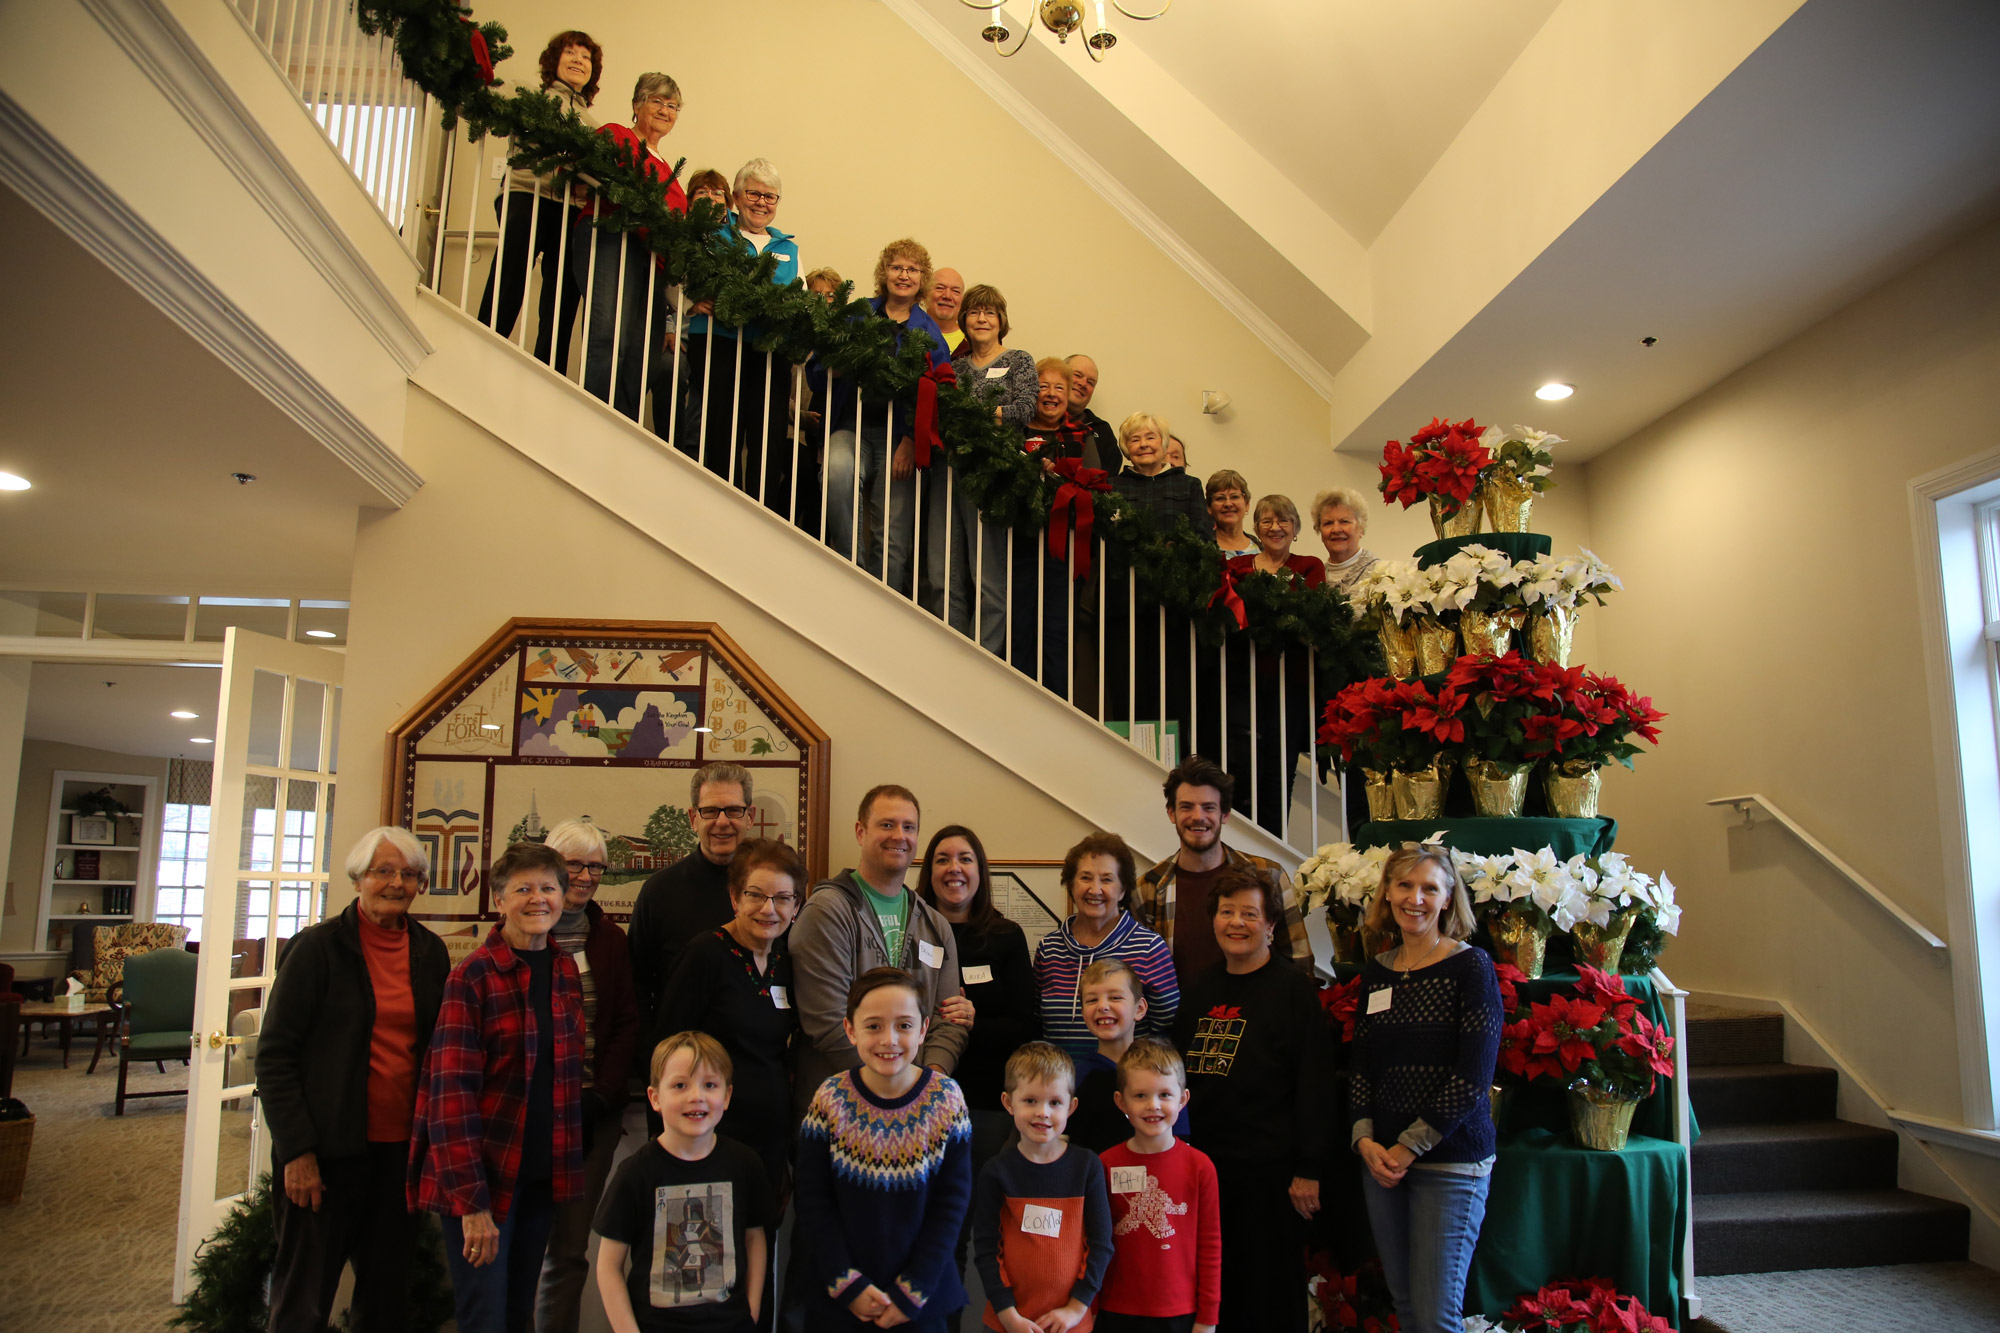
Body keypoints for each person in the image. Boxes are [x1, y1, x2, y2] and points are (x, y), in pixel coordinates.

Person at [261, 827, 451, 1333]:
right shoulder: (316, 950)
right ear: (357, 879)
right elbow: (275, 1056)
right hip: (325, 1155)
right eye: (382, 871)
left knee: (384, 1299)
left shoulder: (430, 953)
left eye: (409, 874)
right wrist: (297, 1151)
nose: (396, 883)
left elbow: (434, 1051)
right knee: (303, 1300)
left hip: (400, 1156)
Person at [410, 843, 585, 1333]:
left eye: (548, 888)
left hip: (539, 1177)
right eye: (523, 889)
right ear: (500, 899)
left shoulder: (564, 971)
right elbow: (450, 1097)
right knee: (483, 1318)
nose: (538, 899)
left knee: (518, 1315)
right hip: (482, 1183)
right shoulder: (473, 977)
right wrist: (472, 1204)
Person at [1173, 866, 1333, 1333]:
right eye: (1227, 912)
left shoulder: (1293, 992)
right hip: (1205, 1170)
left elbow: (1315, 1085)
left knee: (1268, 1293)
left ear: (1270, 925)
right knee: (1214, 1290)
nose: (1236, 923)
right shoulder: (1200, 989)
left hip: (1272, 1174)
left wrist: (1309, 1169)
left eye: (1249, 913)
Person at [1350, 845, 1502, 1333]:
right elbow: (1361, 1067)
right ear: (1387, 893)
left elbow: (1473, 1076)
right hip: (1382, 1164)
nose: (1415, 898)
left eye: (1429, 888)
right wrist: (1365, 1140)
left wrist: (1408, 1146)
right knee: (1408, 1309)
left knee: (1436, 1319)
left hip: (1450, 1161)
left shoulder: (1471, 967)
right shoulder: (1376, 972)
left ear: (1447, 897)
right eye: (1405, 885)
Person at [794, 968, 973, 1330]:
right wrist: (847, 1283)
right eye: (873, 1026)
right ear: (850, 1030)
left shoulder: (946, 1100)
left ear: (924, 1029)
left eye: (904, 1026)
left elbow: (952, 1205)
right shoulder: (830, 1099)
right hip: (841, 1300)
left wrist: (914, 1290)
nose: (889, 1039)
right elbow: (813, 1201)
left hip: (922, 1300)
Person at [914, 824, 1038, 1309]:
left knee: (970, 1225)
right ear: (929, 872)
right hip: (920, 1101)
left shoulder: (1005, 936)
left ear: (980, 871)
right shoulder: (912, 932)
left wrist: (974, 1019)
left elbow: (1026, 1024)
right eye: (943, 859)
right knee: (927, 1226)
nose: (954, 869)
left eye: (965, 859)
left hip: (985, 1105)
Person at [789, 784, 966, 1114]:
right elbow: (828, 1022)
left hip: (918, 1108)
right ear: (860, 831)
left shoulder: (936, 925)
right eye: (887, 824)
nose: (899, 835)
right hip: (840, 1112)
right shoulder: (827, 912)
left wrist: (928, 1083)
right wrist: (891, 1089)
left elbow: (947, 1019)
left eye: (909, 827)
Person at [593, 1031, 777, 1333]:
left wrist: (752, 1312)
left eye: (710, 1085)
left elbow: (755, 1238)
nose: (697, 1096)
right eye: (680, 1085)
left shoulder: (744, 1164)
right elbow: (608, 1266)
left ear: (727, 1096)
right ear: (655, 1097)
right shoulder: (635, 1173)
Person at [536, 821, 641, 1333]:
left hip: (591, 1117)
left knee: (571, 1252)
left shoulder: (609, 940)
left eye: (595, 866)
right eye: (574, 864)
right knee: (517, 1245)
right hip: (525, 1118)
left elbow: (624, 1022)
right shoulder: (524, 931)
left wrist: (601, 1096)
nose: (584, 876)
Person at [655, 837, 803, 1196]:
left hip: (769, 1142)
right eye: (756, 895)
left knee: (759, 1246)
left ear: (796, 906)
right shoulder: (705, 955)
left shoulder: (788, 960)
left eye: (783, 898)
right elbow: (667, 1051)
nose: (769, 909)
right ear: (735, 898)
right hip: (708, 1141)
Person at [818, 240, 953, 606]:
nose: (904, 275)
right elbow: (822, 365)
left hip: (898, 439)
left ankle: (883, 606)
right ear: (885, 273)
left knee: (891, 532)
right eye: (897, 267)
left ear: (921, 279)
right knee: (836, 471)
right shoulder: (858, 313)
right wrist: (834, 366)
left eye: (912, 269)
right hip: (851, 425)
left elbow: (937, 392)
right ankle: (852, 571)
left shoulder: (930, 333)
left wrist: (911, 440)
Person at [680, 160, 804, 517]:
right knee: (720, 431)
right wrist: (691, 302)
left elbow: (800, 301)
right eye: (753, 193)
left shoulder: (789, 248)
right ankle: (719, 511)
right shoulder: (714, 232)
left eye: (770, 196)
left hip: (769, 350)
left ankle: (762, 517)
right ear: (736, 196)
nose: (761, 202)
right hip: (720, 342)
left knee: (767, 436)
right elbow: (682, 274)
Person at [476, 31, 601, 374]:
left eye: (586, 57)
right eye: (570, 53)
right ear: (554, 60)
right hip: (525, 194)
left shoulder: (593, 126)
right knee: (511, 272)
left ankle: (549, 371)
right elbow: (486, 101)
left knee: (564, 294)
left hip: (570, 209)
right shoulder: (527, 94)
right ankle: (483, 342)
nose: (578, 60)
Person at [1132, 756, 1312, 989]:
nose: (1198, 816)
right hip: (1179, 1022)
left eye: (1209, 807)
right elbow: (1137, 977)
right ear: (1171, 814)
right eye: (1186, 807)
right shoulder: (1147, 888)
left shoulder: (1269, 875)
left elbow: (1300, 964)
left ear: (1225, 815)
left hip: (1258, 1020)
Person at [972, 1042, 1113, 1333]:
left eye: (1055, 1103)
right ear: (1009, 1103)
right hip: (1007, 1323)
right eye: (1030, 1101)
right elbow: (987, 1249)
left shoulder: (1088, 1167)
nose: (1043, 1112)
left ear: (1071, 1106)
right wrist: (1009, 1316)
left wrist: (1076, 1309)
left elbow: (1100, 1244)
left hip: (1069, 1323)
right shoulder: (996, 1172)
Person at [572, 73, 689, 422]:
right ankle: (594, 419)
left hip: (652, 261)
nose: (665, 110)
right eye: (657, 101)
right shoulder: (617, 135)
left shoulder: (669, 169)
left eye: (673, 106)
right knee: (609, 335)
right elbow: (591, 178)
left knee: (641, 352)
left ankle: (621, 426)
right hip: (612, 237)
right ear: (637, 105)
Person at [629, 763, 756, 1061]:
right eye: (710, 811)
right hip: (677, 1067)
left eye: (733, 810)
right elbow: (635, 983)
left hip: (754, 1066)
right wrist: (649, 1057)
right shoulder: (659, 892)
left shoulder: (773, 893)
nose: (722, 822)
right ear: (692, 818)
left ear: (749, 817)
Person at [1096, 1038, 1220, 1333]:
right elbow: (1094, 1243)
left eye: (1165, 1094)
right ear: (1121, 1101)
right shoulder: (1104, 1165)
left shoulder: (1200, 1167)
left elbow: (1210, 1246)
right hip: (1116, 1310)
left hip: (1180, 1312)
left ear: (1183, 1099)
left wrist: (1208, 1318)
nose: (1153, 1105)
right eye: (1140, 1095)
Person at [1103, 412, 1213, 747]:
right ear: (1125, 448)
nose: (1143, 445)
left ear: (1164, 444)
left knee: (1175, 687)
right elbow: (1106, 536)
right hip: (1126, 601)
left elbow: (1202, 536)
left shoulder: (1189, 485)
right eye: (1134, 439)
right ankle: (1132, 758)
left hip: (1174, 604)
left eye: (1150, 437)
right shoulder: (1114, 486)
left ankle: (1174, 764)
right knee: (1128, 687)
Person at [947, 285, 1038, 657]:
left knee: (988, 575)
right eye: (974, 312)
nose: (982, 319)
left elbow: (1024, 408)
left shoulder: (1018, 360)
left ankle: (983, 658)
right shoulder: (953, 368)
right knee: (947, 572)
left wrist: (980, 416)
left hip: (992, 473)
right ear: (964, 320)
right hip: (950, 468)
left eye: (990, 313)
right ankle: (950, 652)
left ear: (1001, 321)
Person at [1225, 496, 1324, 835]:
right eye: (1266, 521)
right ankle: (1239, 842)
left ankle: (1272, 843)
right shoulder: (1237, 568)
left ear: (1295, 529)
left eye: (1283, 521)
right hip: (1243, 681)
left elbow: (1307, 616)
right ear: (1256, 529)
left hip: (1290, 684)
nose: (1275, 527)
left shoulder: (1309, 566)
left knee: (1281, 767)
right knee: (1239, 763)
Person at [1034, 831, 1178, 1057]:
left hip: (1128, 1085)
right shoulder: (1049, 949)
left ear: (1122, 890)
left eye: (1107, 879)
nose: (1095, 889)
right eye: (1085, 877)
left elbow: (1169, 1032)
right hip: (1059, 1088)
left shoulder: (1149, 948)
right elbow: (1036, 1027)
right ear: (1071, 885)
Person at [1066, 958, 1187, 1154]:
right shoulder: (1074, 1078)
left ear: (1139, 1008)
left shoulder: (1163, 1071)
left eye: (1115, 998)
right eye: (1092, 1000)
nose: (1103, 1006)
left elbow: (1181, 1143)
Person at [1314, 486, 1381, 597]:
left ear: (1361, 528)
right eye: (1328, 523)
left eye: (1344, 521)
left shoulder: (1380, 574)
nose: (1336, 529)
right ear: (1319, 530)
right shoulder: (1315, 576)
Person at [1064, 354, 1118, 474]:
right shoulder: (1034, 417)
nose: (1083, 384)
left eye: (1090, 382)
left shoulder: (1103, 432)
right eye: (1077, 375)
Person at [1204, 470, 1257, 558]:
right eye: (1220, 498)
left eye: (1235, 497)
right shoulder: (1201, 548)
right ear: (1209, 507)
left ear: (1247, 504)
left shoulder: (1261, 548)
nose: (1228, 504)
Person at [927, 268, 966, 354]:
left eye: (955, 291)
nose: (947, 296)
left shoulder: (971, 341)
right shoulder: (910, 333)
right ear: (925, 293)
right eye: (940, 288)